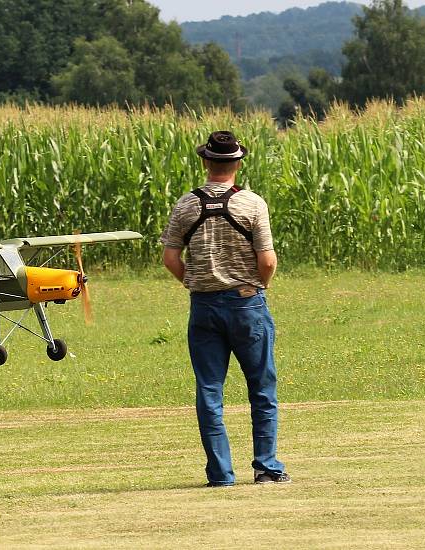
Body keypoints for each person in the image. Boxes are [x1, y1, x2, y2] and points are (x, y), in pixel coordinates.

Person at [160, 130, 290, 487]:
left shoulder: (186, 205)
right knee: (262, 388)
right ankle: (266, 467)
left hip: (203, 307)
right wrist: (259, 286)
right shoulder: (252, 204)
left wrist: (194, 281)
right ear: (237, 163)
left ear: (206, 161)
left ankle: (220, 474)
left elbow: (170, 257)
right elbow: (267, 259)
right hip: (247, 303)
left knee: (209, 390)